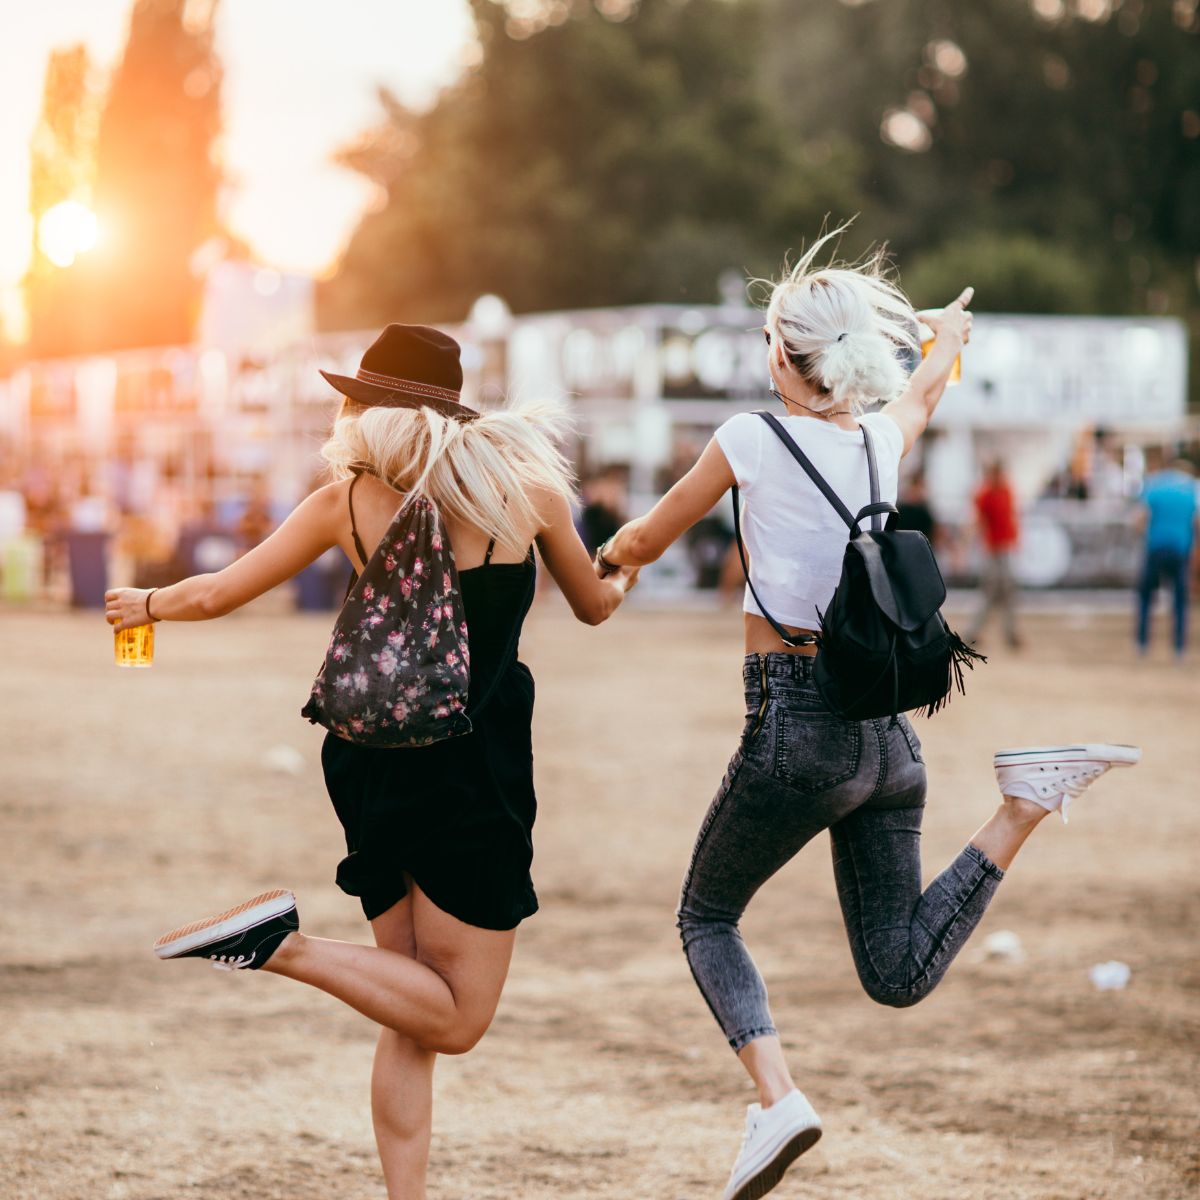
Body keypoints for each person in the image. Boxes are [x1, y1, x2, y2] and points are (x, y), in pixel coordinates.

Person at [591, 230, 1140, 1200]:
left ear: (777, 354)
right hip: (888, 738)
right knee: (895, 971)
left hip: (795, 727)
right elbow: (926, 388)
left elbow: (645, 532)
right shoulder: (883, 439)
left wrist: (615, 564)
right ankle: (1018, 806)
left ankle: (776, 1100)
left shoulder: (749, 439)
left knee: (706, 917)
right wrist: (949, 334)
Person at [105, 324, 639, 1200]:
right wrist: (620, 573)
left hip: (372, 763)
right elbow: (592, 606)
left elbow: (215, 592)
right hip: (474, 772)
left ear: (371, 410)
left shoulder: (346, 500)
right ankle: (281, 947)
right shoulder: (528, 490)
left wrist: (146, 604)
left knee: (411, 1004)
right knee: (459, 1018)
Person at [1135, 450, 1198, 661]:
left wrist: (1146, 535)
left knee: (1146, 597)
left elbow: (1140, 518)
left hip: (1155, 548)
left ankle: (1142, 644)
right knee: (1180, 601)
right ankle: (1179, 648)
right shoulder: (1190, 490)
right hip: (1180, 550)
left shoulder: (1154, 486)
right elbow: (1197, 522)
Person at [967, 460, 1022, 649]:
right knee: (992, 593)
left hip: (1002, 547)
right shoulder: (986, 493)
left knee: (1003, 593)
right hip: (993, 549)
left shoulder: (1004, 490)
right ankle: (975, 631)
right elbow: (977, 521)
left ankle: (1007, 633)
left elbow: (1011, 518)